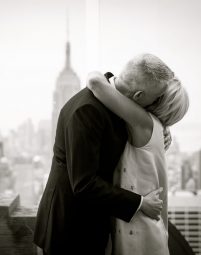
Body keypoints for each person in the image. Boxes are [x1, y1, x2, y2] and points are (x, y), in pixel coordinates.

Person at [34, 53, 174, 255]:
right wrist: (140, 203)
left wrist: (161, 130)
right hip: (71, 231)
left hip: (88, 225)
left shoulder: (111, 102)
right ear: (138, 96)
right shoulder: (87, 111)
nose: (158, 103)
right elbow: (84, 184)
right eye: (157, 98)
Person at [86, 53, 189, 255]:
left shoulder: (143, 122)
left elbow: (95, 81)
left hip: (139, 233)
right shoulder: (154, 128)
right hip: (144, 228)